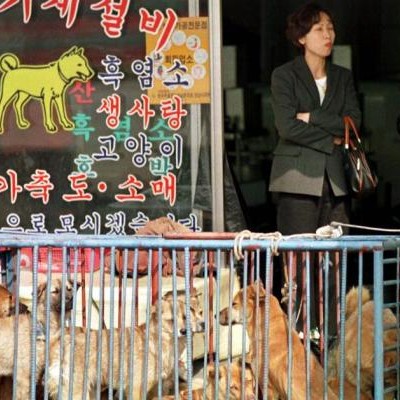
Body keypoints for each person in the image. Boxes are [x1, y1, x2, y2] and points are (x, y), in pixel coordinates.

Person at [269, 2, 361, 334]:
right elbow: (286, 127)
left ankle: (332, 341)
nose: (328, 34)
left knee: (335, 264)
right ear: (301, 37)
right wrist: (329, 138)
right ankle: (296, 340)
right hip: (296, 182)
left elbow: (353, 124)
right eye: (319, 29)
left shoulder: (343, 76)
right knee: (296, 266)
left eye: (330, 28)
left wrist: (312, 117)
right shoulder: (285, 75)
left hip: (335, 183)